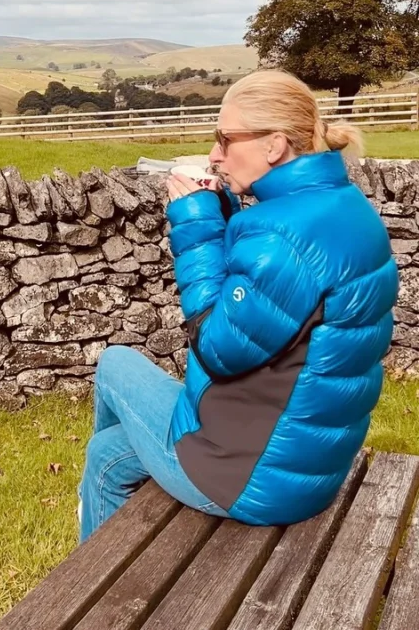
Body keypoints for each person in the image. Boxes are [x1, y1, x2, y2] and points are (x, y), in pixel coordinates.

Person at [77, 69, 398, 541]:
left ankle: (93, 578)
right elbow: (270, 303)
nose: (215, 154)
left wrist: (196, 221)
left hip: (250, 476)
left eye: (225, 139)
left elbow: (218, 347)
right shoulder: (340, 204)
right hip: (302, 461)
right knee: (108, 454)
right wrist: (228, 210)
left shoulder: (280, 235)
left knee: (114, 362)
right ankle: (95, 574)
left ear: (273, 145)